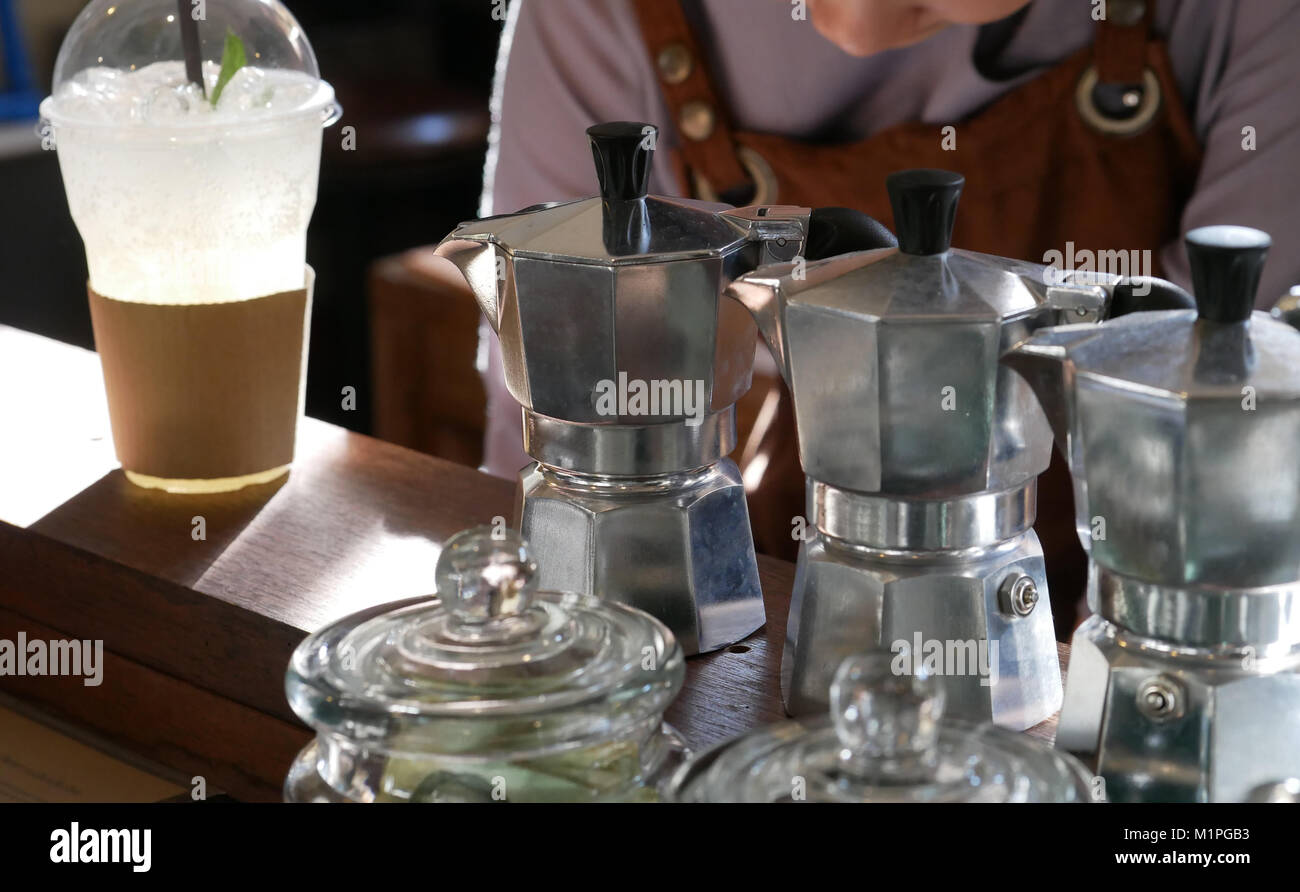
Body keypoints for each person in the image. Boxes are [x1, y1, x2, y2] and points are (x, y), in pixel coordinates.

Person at [471, 0, 1300, 626]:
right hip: (773, 596)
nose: (859, 16)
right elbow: (524, 429)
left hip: (1112, 617)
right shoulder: (594, 12)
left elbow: (1233, 397)